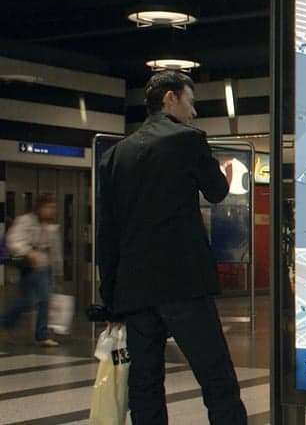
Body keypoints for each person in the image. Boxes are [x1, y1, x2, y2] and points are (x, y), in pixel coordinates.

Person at [96, 70, 247, 424]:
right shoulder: (188, 140)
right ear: (170, 98)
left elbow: (107, 232)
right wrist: (223, 175)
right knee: (216, 377)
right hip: (184, 283)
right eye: (190, 102)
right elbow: (215, 191)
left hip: (135, 290)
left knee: (145, 383)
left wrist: (111, 296)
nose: (193, 112)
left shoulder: (115, 156)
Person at [1, 194, 63, 347]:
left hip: (43, 266)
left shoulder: (51, 227)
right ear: (40, 207)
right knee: (26, 301)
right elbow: (13, 240)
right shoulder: (26, 221)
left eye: (53, 208)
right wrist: (28, 252)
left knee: (44, 299)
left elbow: (55, 251)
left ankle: (41, 335)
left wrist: (58, 271)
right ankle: (5, 323)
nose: (51, 211)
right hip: (29, 265)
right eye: (48, 207)